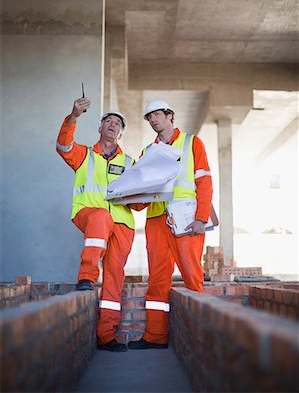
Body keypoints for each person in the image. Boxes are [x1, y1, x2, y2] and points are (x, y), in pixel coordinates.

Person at [128, 99, 213, 350]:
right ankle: (155, 336)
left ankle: (199, 339)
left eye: (156, 114)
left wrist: (201, 217)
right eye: (149, 117)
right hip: (156, 221)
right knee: (157, 279)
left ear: (169, 115)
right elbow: (140, 191)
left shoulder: (192, 142)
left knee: (191, 275)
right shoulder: (147, 152)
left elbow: (205, 182)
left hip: (186, 220)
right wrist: (130, 198)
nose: (153, 120)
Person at [56, 96, 135, 352]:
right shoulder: (84, 155)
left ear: (120, 134)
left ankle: (106, 335)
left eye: (117, 124)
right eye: (108, 121)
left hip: (123, 223)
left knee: (114, 276)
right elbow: (62, 145)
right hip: (89, 214)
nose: (112, 125)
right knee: (101, 216)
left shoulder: (130, 163)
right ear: (100, 128)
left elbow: (139, 202)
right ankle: (87, 276)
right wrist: (74, 116)